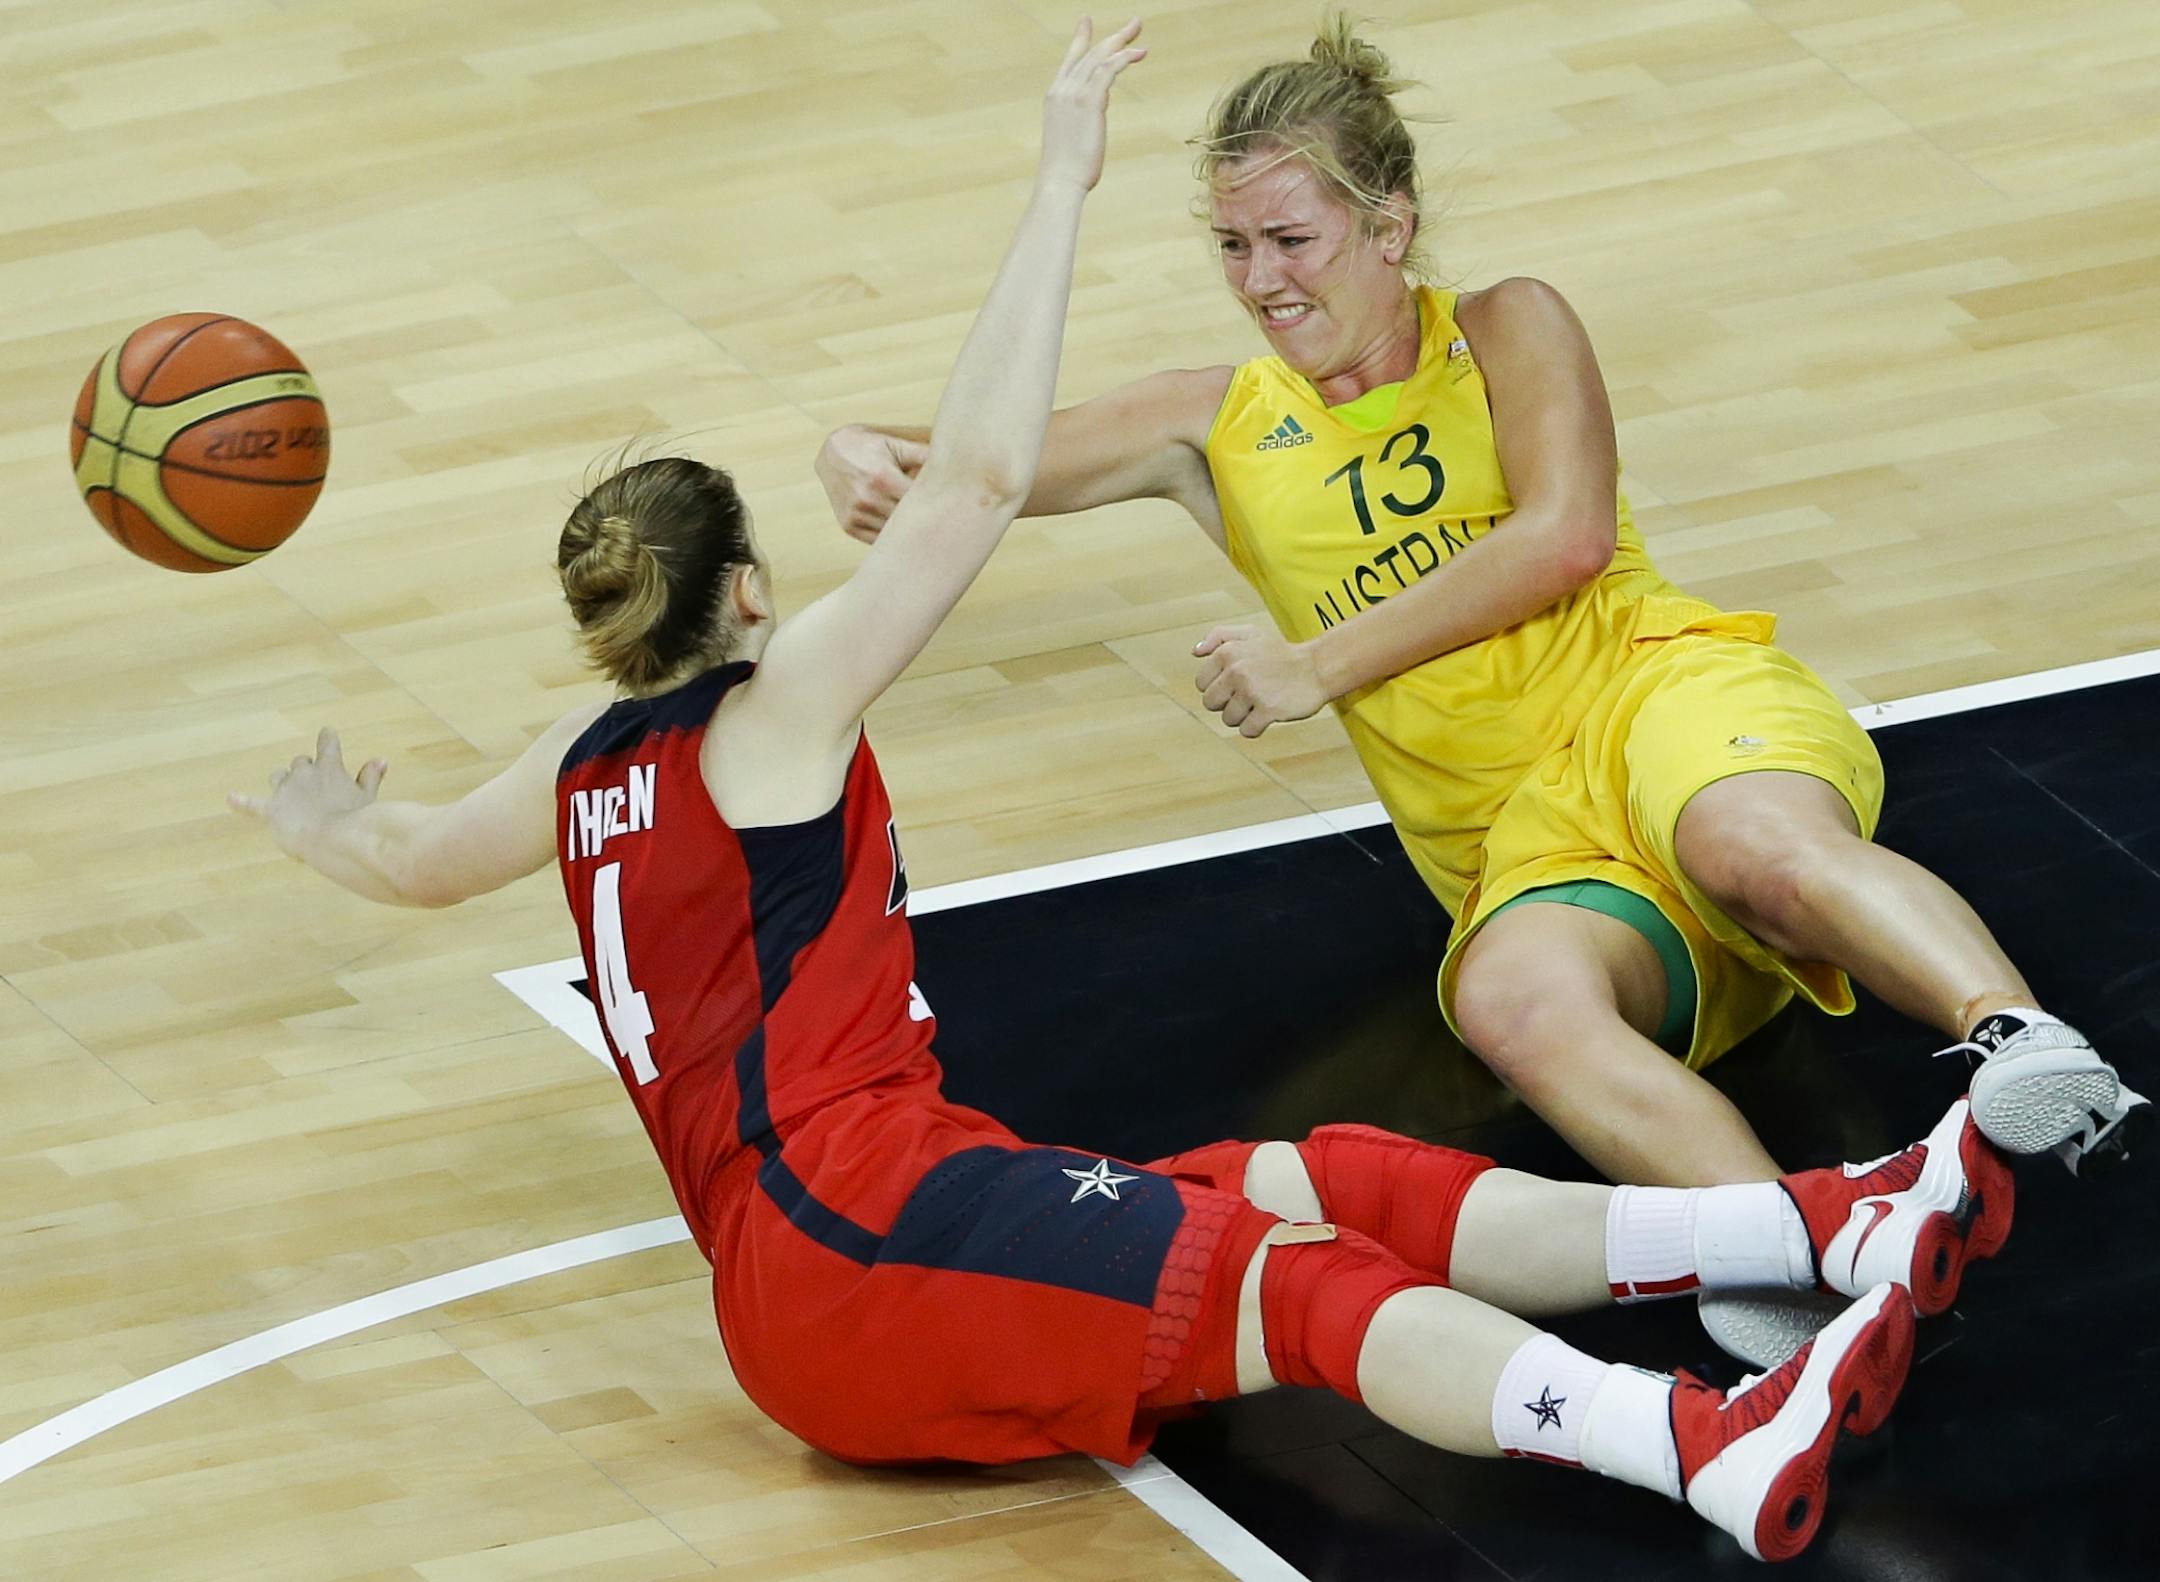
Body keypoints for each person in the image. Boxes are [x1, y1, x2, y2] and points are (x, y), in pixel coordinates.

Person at [231, 21, 2011, 1566]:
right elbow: (987, 475)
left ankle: (1807, 1221)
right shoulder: (774, 716)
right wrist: (1060, 177)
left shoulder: (578, 764)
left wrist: (318, 819)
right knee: (1302, 1293)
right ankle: (1701, 1440)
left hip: (857, 1231)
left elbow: (407, 858)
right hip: (862, 1244)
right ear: (751, 603)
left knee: (1318, 1182)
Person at [813, 14, 2145, 1361]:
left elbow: (1562, 535)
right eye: (1231, 244)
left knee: (1750, 843)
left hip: (1660, 702)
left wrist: (1310, 667)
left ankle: (2021, 1039)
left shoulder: (1510, 324)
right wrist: (867, 446)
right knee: (1508, 1005)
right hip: (1525, 846)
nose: (1259, 279)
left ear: (1389, 228)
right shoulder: (1208, 423)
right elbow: (975, 465)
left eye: (1292, 239)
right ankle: (1791, 1250)